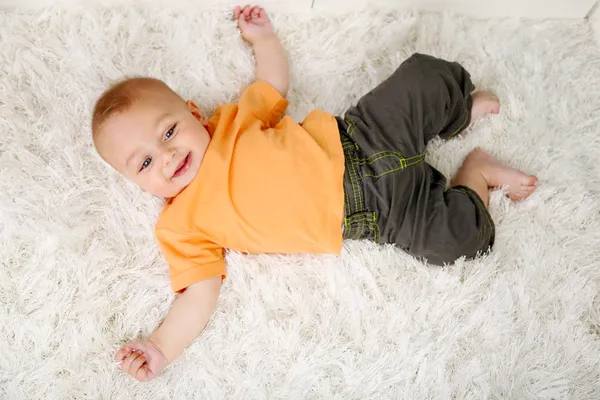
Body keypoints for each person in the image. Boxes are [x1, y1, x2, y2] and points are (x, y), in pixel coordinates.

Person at [91, 5, 537, 382]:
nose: (167, 155)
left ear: (192, 113)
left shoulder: (231, 122)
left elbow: (273, 85)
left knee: (424, 76)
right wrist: (160, 347)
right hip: (378, 215)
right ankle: (475, 173)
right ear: (136, 183)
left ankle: (456, 112)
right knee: (460, 242)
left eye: (168, 131)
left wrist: (263, 40)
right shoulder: (181, 225)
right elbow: (198, 293)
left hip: (361, 136)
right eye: (145, 163)